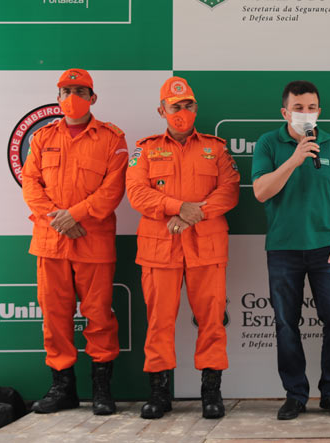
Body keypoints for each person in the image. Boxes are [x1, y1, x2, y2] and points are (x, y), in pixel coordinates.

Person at [126, 76, 240, 419]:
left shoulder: (216, 148)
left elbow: (230, 190)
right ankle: (159, 394)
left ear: (196, 108)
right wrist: (178, 207)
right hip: (160, 249)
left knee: (211, 321)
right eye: (175, 106)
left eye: (188, 105)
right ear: (162, 109)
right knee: (159, 321)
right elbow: (137, 193)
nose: (183, 111)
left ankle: (211, 393)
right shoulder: (143, 149)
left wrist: (195, 214)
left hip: (206, 247)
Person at [22, 69, 127, 416]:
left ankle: (101, 390)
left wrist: (76, 215)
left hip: (93, 242)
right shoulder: (41, 137)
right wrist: (59, 219)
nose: (72, 97)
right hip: (51, 242)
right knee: (54, 317)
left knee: (99, 317)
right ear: (57, 97)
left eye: (80, 90)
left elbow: (112, 190)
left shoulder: (112, 138)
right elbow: (31, 185)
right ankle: (62, 388)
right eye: (66, 91)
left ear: (93, 98)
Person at [251, 80, 330, 420]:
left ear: (319, 111)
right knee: (286, 324)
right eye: (299, 108)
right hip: (283, 249)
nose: (306, 114)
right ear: (285, 112)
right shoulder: (269, 143)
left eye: (312, 108)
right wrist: (294, 160)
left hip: (327, 248)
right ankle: (295, 394)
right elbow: (261, 191)